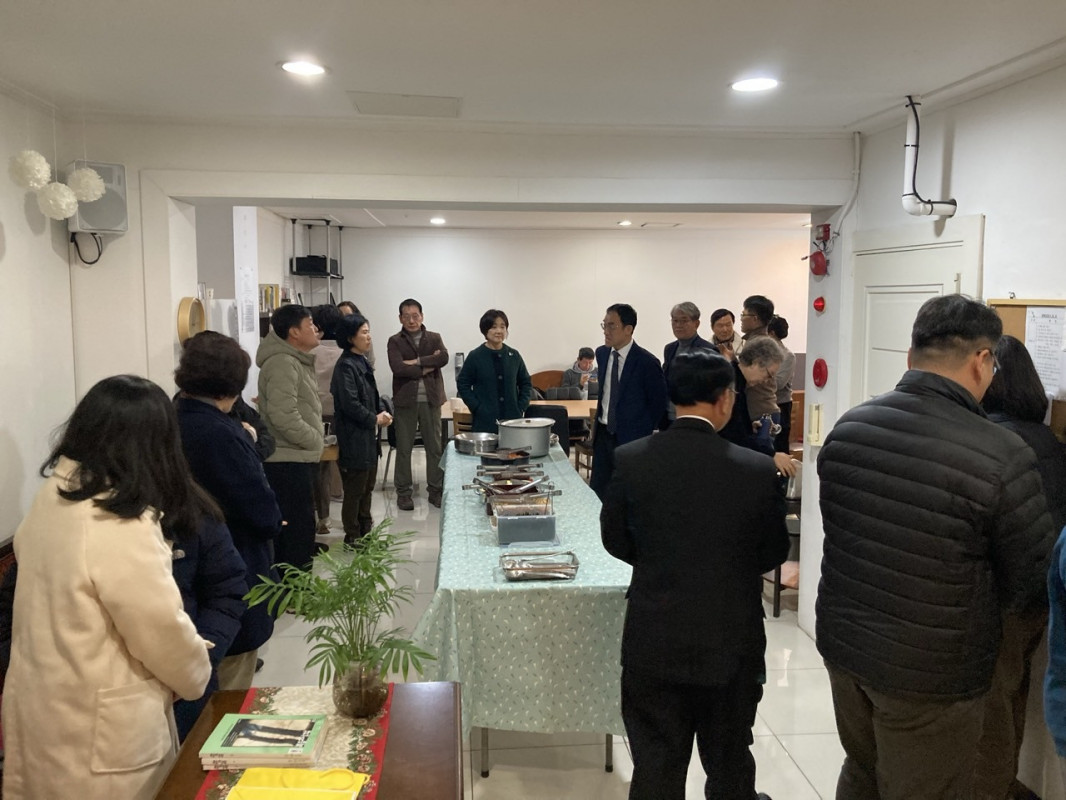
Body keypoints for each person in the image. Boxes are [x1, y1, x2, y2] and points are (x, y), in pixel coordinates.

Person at [816, 294, 1056, 800]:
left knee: (862, 770)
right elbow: (1029, 578)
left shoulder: (850, 428)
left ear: (910, 356)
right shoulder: (1001, 453)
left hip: (846, 648)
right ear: (982, 360)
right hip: (932, 672)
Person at [2, 375, 213, 799]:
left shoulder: (54, 497)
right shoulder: (115, 521)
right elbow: (158, 628)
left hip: (46, 709)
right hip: (100, 734)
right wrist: (195, 671)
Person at [601, 351, 787, 800]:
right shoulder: (756, 469)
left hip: (654, 635)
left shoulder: (632, 460)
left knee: (656, 762)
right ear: (726, 398)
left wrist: (659, 561)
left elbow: (614, 539)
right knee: (729, 759)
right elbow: (773, 551)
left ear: (673, 397)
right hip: (731, 638)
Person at [976, 334, 1066, 798]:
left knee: (991, 707)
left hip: (1001, 598)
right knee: (1012, 693)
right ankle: (1004, 784)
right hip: (1040, 597)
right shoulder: (1048, 439)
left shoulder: (990, 441)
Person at [175, 330, 285, 691]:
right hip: (231, 563)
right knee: (229, 687)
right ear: (232, 384)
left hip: (184, 571)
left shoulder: (171, 418)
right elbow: (260, 510)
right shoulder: (221, 432)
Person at [256, 304, 324, 570]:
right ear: (294, 332)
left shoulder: (294, 360)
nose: (315, 329)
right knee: (296, 533)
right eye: (310, 325)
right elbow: (283, 415)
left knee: (303, 529)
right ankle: (294, 588)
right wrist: (314, 439)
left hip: (297, 456)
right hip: (287, 460)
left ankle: (298, 585)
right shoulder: (282, 362)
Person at [590, 303, 668, 499]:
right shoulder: (602, 354)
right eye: (604, 325)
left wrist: (641, 429)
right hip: (603, 435)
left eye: (612, 325)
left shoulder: (647, 362)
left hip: (632, 439)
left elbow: (658, 404)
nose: (606, 331)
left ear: (628, 329)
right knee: (598, 491)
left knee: (628, 492)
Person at [333, 312, 392, 543]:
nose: (369, 337)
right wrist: (374, 419)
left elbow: (371, 397)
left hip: (367, 436)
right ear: (350, 338)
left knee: (367, 487)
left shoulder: (362, 361)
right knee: (355, 489)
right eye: (364, 333)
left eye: (369, 332)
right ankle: (353, 536)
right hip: (354, 436)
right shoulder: (346, 366)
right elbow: (350, 404)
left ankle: (366, 532)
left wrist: (382, 412)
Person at [386, 298, 449, 511]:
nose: (411, 320)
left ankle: (436, 490)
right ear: (400, 318)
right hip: (406, 401)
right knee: (404, 448)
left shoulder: (434, 338)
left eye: (415, 316)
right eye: (406, 316)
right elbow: (398, 368)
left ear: (422, 316)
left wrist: (416, 362)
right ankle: (404, 493)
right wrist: (428, 365)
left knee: (434, 448)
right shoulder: (395, 341)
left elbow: (443, 358)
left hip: (431, 400)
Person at [718, 337, 796, 477]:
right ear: (755, 362)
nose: (767, 381)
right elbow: (733, 434)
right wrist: (772, 455)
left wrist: (749, 426)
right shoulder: (731, 384)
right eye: (769, 374)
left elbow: (735, 424)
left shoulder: (738, 381)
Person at [457, 309, 533, 434]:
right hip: (485, 421)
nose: (499, 331)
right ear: (485, 330)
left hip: (513, 420)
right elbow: (462, 383)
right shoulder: (475, 356)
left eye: (503, 327)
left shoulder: (514, 355)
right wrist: (476, 407)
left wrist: (521, 406)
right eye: (493, 327)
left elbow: (526, 383)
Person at [310, 303, 345, 535]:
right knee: (347, 466)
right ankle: (353, 518)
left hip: (316, 413)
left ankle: (323, 519)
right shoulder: (346, 351)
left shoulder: (309, 351)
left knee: (319, 469)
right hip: (342, 413)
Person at [662, 301, 715, 428]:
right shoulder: (670, 349)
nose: (678, 325)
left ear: (696, 323)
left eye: (684, 321)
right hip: (670, 417)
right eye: (675, 321)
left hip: (695, 418)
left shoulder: (708, 350)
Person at [737, 295, 779, 423]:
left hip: (763, 413)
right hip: (756, 412)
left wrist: (732, 359)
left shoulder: (764, 343)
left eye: (743, 315)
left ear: (754, 318)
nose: (741, 319)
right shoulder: (753, 340)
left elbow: (752, 378)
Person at [766, 316, 795, 454]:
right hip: (764, 403)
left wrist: (758, 379)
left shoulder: (787, 356)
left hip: (780, 405)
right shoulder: (763, 352)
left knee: (779, 446)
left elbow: (779, 383)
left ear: (771, 333)